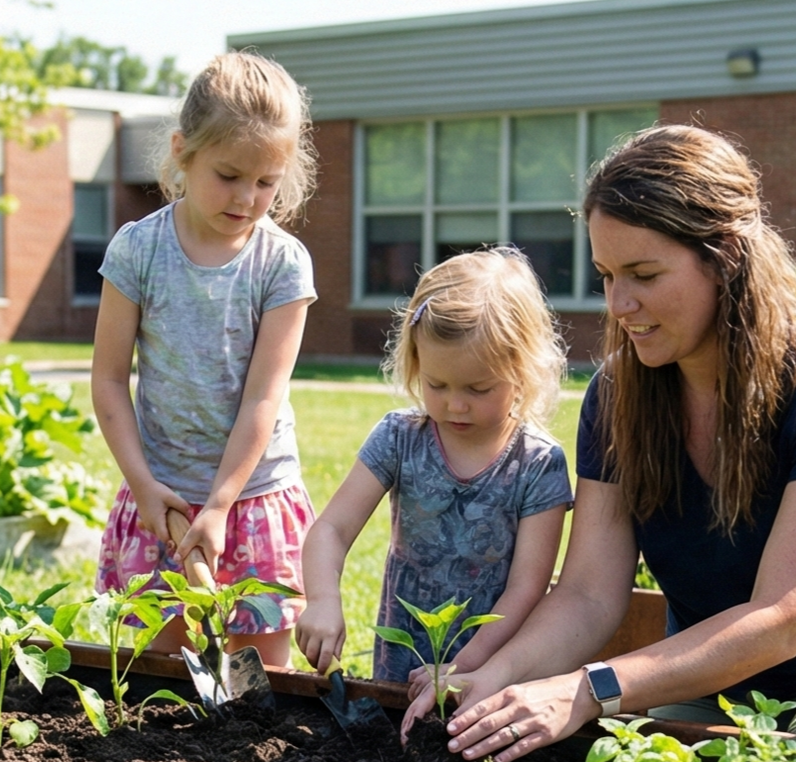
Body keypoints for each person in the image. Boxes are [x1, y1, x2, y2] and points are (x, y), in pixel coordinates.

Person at [437, 125, 796, 762]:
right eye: (606, 275)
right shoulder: (618, 395)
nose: (619, 303)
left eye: (644, 274)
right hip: (718, 684)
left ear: (726, 257)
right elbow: (588, 595)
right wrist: (493, 677)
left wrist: (588, 688)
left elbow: (784, 617)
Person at [90, 52, 319, 664]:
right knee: (162, 680)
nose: (247, 197)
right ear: (182, 153)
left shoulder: (282, 263)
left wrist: (219, 504)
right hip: (160, 499)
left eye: (266, 182)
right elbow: (108, 380)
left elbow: (263, 398)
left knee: (258, 683)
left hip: (252, 498)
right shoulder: (138, 250)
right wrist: (144, 486)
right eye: (229, 174)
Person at [296, 250, 574, 704]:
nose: (455, 405)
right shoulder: (400, 438)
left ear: (523, 370)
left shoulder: (538, 463)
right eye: (436, 384)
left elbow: (527, 588)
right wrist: (323, 599)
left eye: (479, 388)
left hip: (487, 676)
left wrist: (462, 668)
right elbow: (332, 528)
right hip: (399, 670)